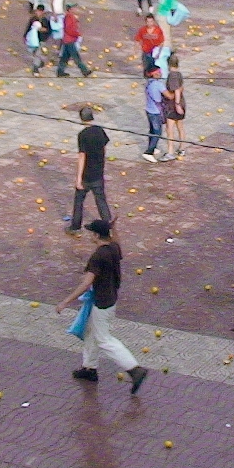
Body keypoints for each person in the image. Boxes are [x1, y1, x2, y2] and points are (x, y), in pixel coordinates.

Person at [55, 219, 148, 394]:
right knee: (91, 331)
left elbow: (86, 282)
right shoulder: (112, 248)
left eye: (92, 233)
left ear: (97, 235)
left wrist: (66, 302)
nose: (90, 235)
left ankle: (134, 369)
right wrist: (115, 229)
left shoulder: (98, 256)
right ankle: (89, 368)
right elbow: (118, 242)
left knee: (104, 339)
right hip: (109, 298)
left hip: (101, 303)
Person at [68, 107, 113, 234]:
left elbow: (82, 156)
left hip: (86, 175)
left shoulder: (83, 135)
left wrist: (78, 178)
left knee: (79, 201)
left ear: (81, 119)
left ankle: (75, 227)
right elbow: (104, 148)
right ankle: (108, 225)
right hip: (98, 173)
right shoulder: (100, 131)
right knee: (101, 199)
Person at [162, 55, 186, 161]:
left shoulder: (172, 76)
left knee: (169, 128)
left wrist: (176, 104)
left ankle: (170, 151)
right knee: (180, 126)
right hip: (182, 102)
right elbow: (181, 88)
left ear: (168, 64)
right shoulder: (179, 74)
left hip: (173, 106)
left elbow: (176, 90)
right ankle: (182, 147)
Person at [141, 64, 166, 163]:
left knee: (152, 131)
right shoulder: (158, 85)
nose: (160, 74)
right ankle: (148, 152)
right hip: (156, 112)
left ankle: (153, 147)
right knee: (157, 132)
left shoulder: (148, 83)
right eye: (158, 72)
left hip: (149, 110)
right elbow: (168, 95)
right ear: (153, 74)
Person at [57, 6, 90, 77]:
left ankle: (60, 71)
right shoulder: (69, 17)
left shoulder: (70, 16)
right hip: (69, 40)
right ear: (70, 9)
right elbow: (69, 29)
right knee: (76, 57)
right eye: (74, 8)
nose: (76, 9)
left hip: (68, 40)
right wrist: (77, 34)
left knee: (65, 57)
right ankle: (85, 70)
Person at [25, 6, 48, 75]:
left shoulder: (45, 20)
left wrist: (42, 30)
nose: (38, 13)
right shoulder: (33, 19)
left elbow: (48, 30)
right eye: (37, 11)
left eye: (40, 11)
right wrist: (25, 35)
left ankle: (35, 69)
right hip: (33, 39)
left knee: (38, 53)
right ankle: (40, 62)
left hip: (41, 39)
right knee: (33, 52)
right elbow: (29, 28)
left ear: (43, 12)